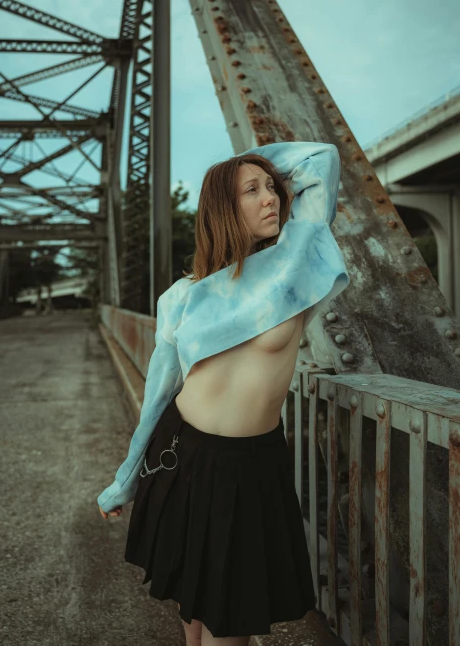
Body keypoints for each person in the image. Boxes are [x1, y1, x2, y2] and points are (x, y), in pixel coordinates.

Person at [97, 140, 350, 645]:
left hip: (251, 467)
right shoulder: (184, 295)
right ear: (222, 209)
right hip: (183, 457)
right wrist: (124, 480)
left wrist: (244, 166)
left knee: (226, 625)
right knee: (195, 620)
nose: (271, 198)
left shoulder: (293, 265)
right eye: (251, 192)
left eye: (272, 188)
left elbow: (320, 158)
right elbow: (159, 395)